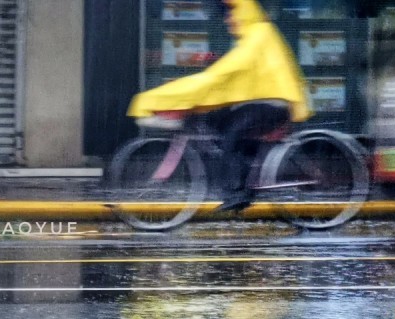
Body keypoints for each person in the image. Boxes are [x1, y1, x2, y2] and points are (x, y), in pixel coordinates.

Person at [128, 0, 312, 213]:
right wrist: (214, 64)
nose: (227, 20)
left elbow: (227, 73)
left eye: (230, 14)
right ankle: (246, 188)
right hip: (268, 102)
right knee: (232, 131)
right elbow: (237, 69)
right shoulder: (256, 36)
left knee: (231, 137)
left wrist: (175, 96)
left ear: (243, 12)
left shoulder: (257, 35)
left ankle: (236, 193)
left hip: (272, 104)